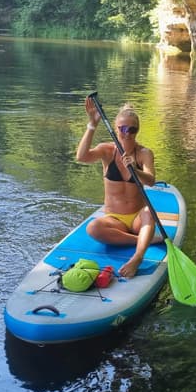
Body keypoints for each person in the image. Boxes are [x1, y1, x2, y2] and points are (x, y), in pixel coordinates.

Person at [76, 95, 159, 278]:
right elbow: (81, 157)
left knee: (148, 212)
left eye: (132, 129)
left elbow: (151, 180)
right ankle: (143, 240)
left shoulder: (144, 153)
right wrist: (92, 125)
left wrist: (135, 171)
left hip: (137, 217)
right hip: (115, 219)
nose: (127, 133)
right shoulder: (107, 150)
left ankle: (137, 257)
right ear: (115, 128)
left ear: (137, 131)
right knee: (93, 228)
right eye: (122, 128)